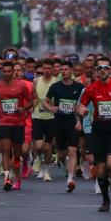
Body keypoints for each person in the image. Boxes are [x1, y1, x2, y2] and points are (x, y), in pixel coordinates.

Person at [78, 58, 111, 213]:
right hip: (98, 131)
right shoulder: (91, 88)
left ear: (110, 70)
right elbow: (80, 106)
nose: (102, 71)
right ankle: (106, 200)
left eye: (105, 68)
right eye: (99, 69)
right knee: (100, 170)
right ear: (96, 71)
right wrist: (81, 111)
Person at [0, 58, 33, 192]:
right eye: (4, 71)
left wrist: (23, 108)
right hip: (4, 122)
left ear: (13, 72)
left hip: (18, 123)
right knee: (5, 150)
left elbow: (31, 102)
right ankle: (7, 178)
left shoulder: (21, 85)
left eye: (9, 71)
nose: (6, 73)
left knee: (16, 154)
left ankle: (17, 178)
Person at [44, 60, 83, 192]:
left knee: (72, 150)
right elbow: (45, 102)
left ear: (71, 71)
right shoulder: (55, 87)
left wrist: (80, 119)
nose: (63, 72)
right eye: (62, 70)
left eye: (66, 69)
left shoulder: (79, 87)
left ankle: (70, 179)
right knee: (61, 153)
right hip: (59, 123)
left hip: (73, 123)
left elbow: (83, 104)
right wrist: (51, 108)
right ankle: (62, 162)